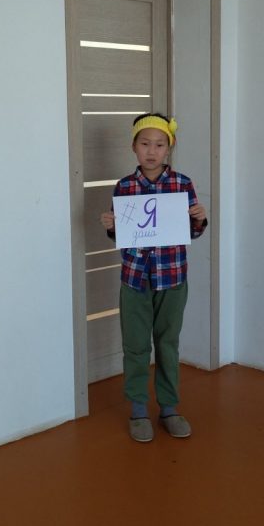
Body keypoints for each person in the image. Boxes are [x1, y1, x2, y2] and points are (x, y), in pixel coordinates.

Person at [100, 113, 207, 443]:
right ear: (134, 147)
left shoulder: (182, 184)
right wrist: (111, 226)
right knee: (135, 346)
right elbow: (123, 235)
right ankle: (138, 410)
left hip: (172, 278)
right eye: (145, 144)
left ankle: (169, 409)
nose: (152, 151)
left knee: (167, 345)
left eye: (159, 144)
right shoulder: (124, 187)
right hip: (134, 280)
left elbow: (191, 231)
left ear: (168, 148)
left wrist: (199, 219)